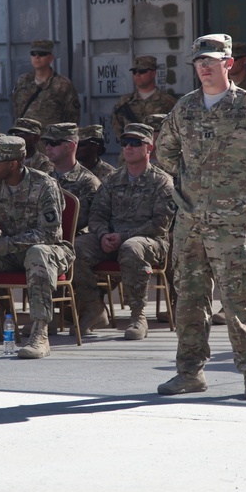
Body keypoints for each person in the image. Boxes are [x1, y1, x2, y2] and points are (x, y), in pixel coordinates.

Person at [155, 34, 246, 400]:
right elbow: (164, 152)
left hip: (233, 224)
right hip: (190, 224)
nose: (204, 67)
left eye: (212, 61)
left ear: (228, 64)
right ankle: (189, 372)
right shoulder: (184, 108)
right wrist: (190, 180)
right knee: (189, 300)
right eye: (199, 62)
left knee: (239, 300)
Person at [0, 136, 74, 359]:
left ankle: (40, 334)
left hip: (50, 252)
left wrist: (1, 244)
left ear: (14, 164)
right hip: (7, 253)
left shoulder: (45, 185)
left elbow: (49, 234)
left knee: (38, 253)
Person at [74, 123, 175, 340]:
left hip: (150, 241)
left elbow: (159, 223)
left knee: (132, 248)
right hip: (111, 239)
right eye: (125, 143)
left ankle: (138, 316)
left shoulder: (162, 182)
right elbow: (97, 215)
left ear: (149, 148)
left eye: (135, 143)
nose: (128, 148)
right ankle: (94, 307)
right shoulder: (112, 180)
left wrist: (123, 237)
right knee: (75, 248)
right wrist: (102, 235)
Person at [42, 123, 101, 233]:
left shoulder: (88, 183)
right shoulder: (43, 178)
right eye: (46, 142)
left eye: (54, 143)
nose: (48, 147)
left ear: (70, 146)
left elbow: (95, 221)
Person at [11, 39, 81, 128]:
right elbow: (16, 110)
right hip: (25, 139)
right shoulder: (22, 81)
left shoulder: (62, 85)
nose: (37, 57)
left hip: (50, 140)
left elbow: (73, 118)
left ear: (51, 58)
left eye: (41, 54)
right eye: (33, 54)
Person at [111, 56, 177, 139]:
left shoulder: (168, 101)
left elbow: (176, 128)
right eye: (134, 72)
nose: (137, 74)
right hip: (132, 147)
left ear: (153, 73)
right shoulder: (124, 102)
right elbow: (117, 126)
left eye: (142, 71)